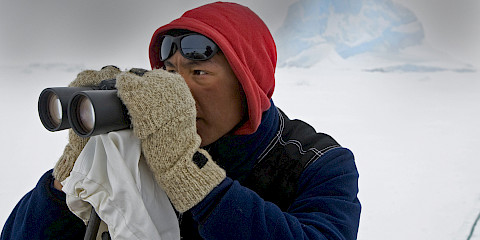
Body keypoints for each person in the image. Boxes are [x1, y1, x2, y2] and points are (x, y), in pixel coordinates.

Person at [1, 2, 361, 239]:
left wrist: (191, 176)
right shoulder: (144, 147)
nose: (179, 90)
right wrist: (69, 174)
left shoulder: (319, 163)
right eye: (168, 73)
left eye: (199, 72)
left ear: (249, 87)